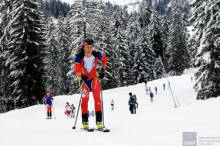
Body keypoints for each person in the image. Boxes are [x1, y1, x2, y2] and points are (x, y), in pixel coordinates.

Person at [74, 38, 107, 130]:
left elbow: (105, 60)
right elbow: (76, 71)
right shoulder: (79, 57)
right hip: (84, 81)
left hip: (94, 79)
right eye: (87, 47)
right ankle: (85, 122)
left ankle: (99, 122)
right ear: (84, 47)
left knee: (97, 99)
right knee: (85, 100)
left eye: (91, 47)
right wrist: (81, 75)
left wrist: (103, 70)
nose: (89, 49)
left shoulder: (97, 55)